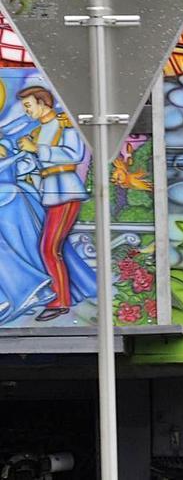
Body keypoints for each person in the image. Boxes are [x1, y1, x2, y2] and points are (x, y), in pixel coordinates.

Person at [17, 85, 89, 322]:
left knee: (49, 248)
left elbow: (74, 154)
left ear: (43, 103)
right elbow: (36, 165)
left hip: (65, 192)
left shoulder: (64, 124)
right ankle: (61, 296)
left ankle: (60, 301)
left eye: (29, 106)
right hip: (49, 193)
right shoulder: (37, 132)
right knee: (51, 248)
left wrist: (37, 149)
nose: (27, 111)